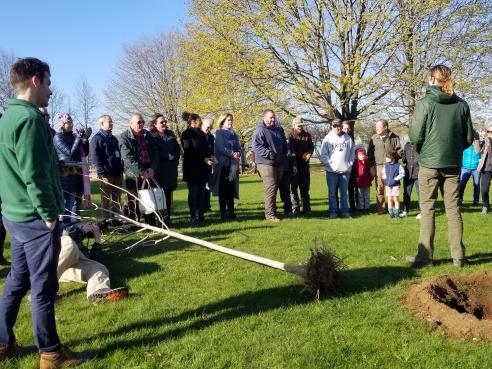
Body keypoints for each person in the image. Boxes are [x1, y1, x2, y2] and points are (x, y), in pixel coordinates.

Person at [0, 57, 96, 367]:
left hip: (13, 215)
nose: (51, 90)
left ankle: (2, 343)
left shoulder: (6, 118)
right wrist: (50, 214)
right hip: (35, 218)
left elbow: (20, 164)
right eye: (49, 82)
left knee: (18, 278)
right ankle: (51, 353)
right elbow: (32, 175)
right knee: (43, 287)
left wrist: (58, 166)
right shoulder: (29, 120)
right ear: (34, 80)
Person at [406, 64, 474, 268]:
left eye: (429, 77)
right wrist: (454, 151)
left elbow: (414, 135)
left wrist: (423, 151)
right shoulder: (462, 105)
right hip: (453, 164)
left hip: (429, 164)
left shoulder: (425, 103)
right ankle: (458, 257)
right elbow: (469, 137)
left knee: (428, 210)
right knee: (453, 210)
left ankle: (425, 257)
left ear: (433, 80)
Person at [58, 223, 128, 303]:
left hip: (70, 269)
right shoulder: (57, 224)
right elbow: (63, 234)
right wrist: (82, 230)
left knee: (98, 267)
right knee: (69, 243)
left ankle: (100, 292)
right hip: (54, 265)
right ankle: (44, 288)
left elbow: (93, 260)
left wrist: (97, 240)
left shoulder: (80, 244)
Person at [119, 113, 159, 224]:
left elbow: (155, 153)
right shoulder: (124, 137)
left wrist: (152, 169)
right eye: (138, 122)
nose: (141, 124)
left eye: (143, 122)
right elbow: (127, 158)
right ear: (131, 123)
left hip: (149, 170)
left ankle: (151, 223)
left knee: (149, 198)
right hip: (133, 174)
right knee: (133, 200)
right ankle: (135, 223)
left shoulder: (147, 135)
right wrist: (141, 171)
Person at [53, 112, 90, 224]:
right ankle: (66, 229)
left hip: (78, 173)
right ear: (61, 124)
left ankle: (76, 228)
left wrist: (85, 140)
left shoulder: (73, 136)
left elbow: (84, 152)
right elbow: (69, 153)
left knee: (77, 203)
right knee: (68, 204)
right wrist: (79, 139)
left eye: (71, 121)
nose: (71, 124)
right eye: (67, 122)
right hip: (66, 175)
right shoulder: (58, 137)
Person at [252, 110, 289, 222]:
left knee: (274, 188)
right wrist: (269, 154)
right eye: (270, 117)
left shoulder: (277, 130)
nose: (272, 120)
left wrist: (285, 152)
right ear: (264, 118)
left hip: (278, 162)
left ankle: (273, 211)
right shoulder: (259, 131)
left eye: (273, 118)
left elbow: (284, 143)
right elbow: (257, 147)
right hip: (265, 162)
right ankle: (269, 214)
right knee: (271, 187)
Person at [181, 112, 215, 224]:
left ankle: (201, 215)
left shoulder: (202, 134)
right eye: (199, 120)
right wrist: (202, 159)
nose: (201, 122)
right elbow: (189, 152)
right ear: (193, 122)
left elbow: (206, 149)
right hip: (192, 168)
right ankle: (193, 215)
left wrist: (211, 156)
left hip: (202, 168)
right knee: (193, 192)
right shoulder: (186, 134)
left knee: (202, 192)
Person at [90, 115, 124, 221]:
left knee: (117, 197)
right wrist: (101, 171)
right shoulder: (97, 138)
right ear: (102, 124)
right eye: (109, 122)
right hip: (106, 173)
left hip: (117, 172)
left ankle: (116, 218)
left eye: (112, 121)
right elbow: (95, 157)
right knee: (105, 198)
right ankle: (105, 219)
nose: (112, 123)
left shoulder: (113, 138)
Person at [148, 114, 180, 225]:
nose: (164, 124)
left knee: (168, 194)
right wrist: (167, 156)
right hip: (159, 170)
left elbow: (177, 149)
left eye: (165, 121)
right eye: (161, 122)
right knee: (158, 195)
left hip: (170, 169)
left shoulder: (170, 134)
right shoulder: (151, 136)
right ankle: (159, 218)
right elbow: (153, 152)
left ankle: (166, 218)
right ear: (155, 124)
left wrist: (174, 158)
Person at [320, 119, 355, 219]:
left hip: (345, 171)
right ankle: (333, 212)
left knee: (344, 193)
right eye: (334, 126)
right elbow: (324, 155)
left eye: (338, 126)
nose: (336, 128)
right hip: (332, 172)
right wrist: (330, 165)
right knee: (332, 193)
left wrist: (349, 165)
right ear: (332, 127)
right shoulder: (327, 138)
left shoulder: (348, 138)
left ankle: (345, 212)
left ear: (341, 126)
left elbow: (352, 153)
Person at [209, 113, 241, 220]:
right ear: (223, 121)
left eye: (231, 120)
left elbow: (238, 147)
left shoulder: (233, 134)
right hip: (223, 165)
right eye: (228, 120)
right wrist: (232, 154)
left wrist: (238, 153)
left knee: (231, 189)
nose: (230, 122)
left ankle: (231, 212)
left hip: (233, 166)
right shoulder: (219, 133)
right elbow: (220, 148)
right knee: (223, 190)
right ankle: (223, 213)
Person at [367, 119, 402, 214]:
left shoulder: (394, 137)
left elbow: (399, 151)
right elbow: (369, 154)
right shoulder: (373, 138)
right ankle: (381, 209)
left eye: (379, 126)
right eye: (376, 127)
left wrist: (395, 161)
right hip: (378, 166)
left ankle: (395, 209)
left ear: (385, 127)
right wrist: (371, 166)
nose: (376, 128)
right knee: (380, 188)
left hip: (392, 166)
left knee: (393, 186)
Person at [288, 117, 314, 214]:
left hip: (304, 166)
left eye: (302, 125)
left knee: (305, 189)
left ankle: (307, 209)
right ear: (293, 125)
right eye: (299, 126)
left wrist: (309, 153)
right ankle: (295, 208)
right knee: (293, 189)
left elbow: (311, 147)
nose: (300, 127)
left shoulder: (307, 135)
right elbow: (291, 150)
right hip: (294, 166)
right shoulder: (290, 136)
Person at [458, 130, 481, 207]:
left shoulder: (479, 144)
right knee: (461, 184)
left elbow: (480, 152)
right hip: (465, 167)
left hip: (476, 168)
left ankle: (476, 201)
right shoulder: (464, 144)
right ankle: (460, 200)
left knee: (476, 185)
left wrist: (476, 144)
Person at [381, 152, 405, 218]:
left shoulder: (398, 165)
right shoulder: (385, 165)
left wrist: (395, 180)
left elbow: (402, 173)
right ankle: (391, 213)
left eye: (387, 157)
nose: (386, 159)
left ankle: (397, 213)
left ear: (393, 158)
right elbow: (383, 173)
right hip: (388, 185)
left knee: (395, 199)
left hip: (395, 185)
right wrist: (385, 179)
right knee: (389, 199)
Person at [401, 141, 421, 218]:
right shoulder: (407, 145)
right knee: (406, 193)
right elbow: (404, 159)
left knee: (420, 193)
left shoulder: (420, 144)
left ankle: (422, 211)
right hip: (408, 173)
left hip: (418, 172)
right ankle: (405, 211)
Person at [201, 118, 215, 214]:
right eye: (208, 127)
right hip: (200, 164)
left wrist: (212, 157)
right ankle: (201, 207)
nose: (209, 130)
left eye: (211, 128)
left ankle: (207, 206)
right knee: (201, 187)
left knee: (208, 186)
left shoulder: (210, 137)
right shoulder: (198, 136)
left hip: (208, 164)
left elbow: (211, 150)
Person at [477, 123, 492, 215]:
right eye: (489, 131)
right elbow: (478, 150)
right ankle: (485, 206)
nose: (490, 133)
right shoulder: (485, 141)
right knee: (484, 189)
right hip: (486, 169)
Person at [342, 120, 357, 211]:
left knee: (351, 187)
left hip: (349, 167)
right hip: (339, 167)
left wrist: (350, 164)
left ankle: (352, 206)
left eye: (348, 129)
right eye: (345, 128)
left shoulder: (350, 138)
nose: (346, 130)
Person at [353, 147, 373, 211]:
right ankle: (361, 207)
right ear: (357, 156)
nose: (361, 156)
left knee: (367, 195)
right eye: (360, 155)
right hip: (359, 182)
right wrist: (356, 180)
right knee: (360, 195)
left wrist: (370, 179)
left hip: (367, 182)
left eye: (363, 154)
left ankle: (367, 206)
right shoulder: (356, 164)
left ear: (365, 155)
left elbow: (370, 173)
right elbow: (354, 173)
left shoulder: (367, 163)